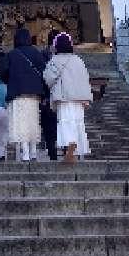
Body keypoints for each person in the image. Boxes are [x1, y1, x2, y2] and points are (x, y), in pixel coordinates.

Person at [43, 32, 93, 163]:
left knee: (66, 122)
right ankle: (74, 152)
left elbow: (48, 79)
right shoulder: (79, 61)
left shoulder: (55, 60)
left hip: (64, 97)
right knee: (77, 123)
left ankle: (70, 148)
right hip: (79, 99)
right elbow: (85, 79)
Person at [0, 27, 46, 161]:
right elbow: (43, 72)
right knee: (33, 122)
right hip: (34, 94)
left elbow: (2, 71)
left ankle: (24, 152)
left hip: (18, 93)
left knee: (21, 123)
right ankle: (33, 152)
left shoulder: (13, 54)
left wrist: (11, 79)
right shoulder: (36, 53)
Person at [40, 29, 59, 161]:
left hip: (48, 97)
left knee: (50, 126)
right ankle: (54, 149)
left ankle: (52, 149)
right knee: (53, 124)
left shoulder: (42, 55)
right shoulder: (65, 57)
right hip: (58, 97)